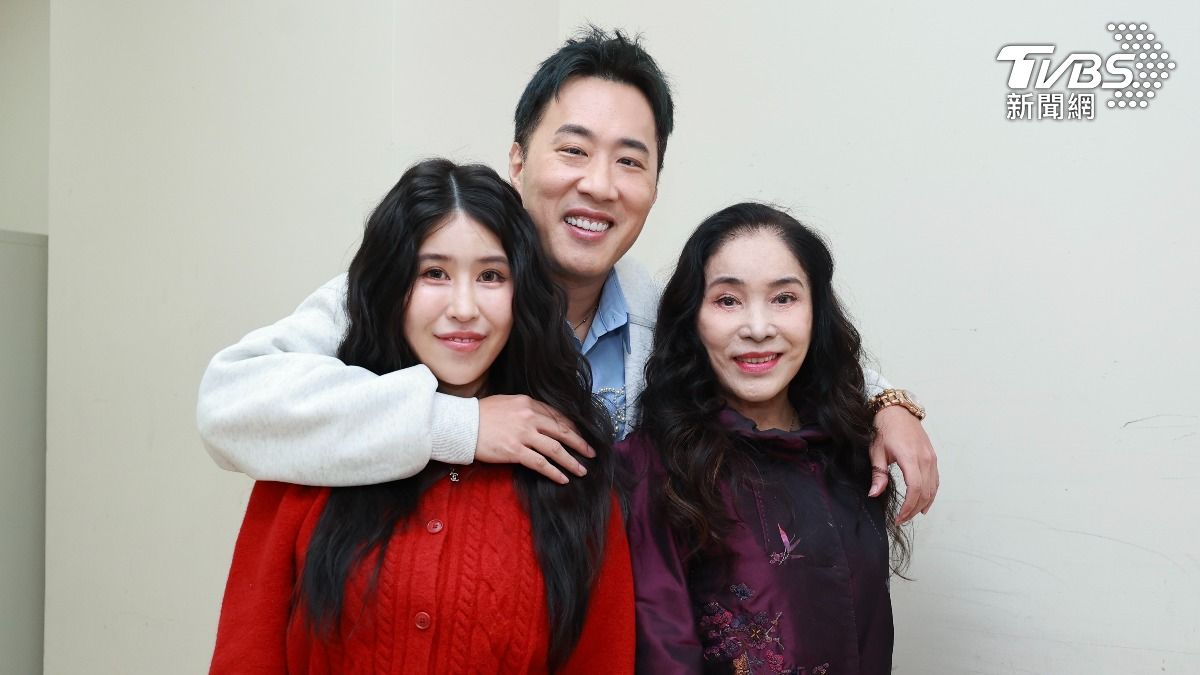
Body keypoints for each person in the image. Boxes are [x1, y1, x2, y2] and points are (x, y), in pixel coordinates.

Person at [196, 27, 938, 520]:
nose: (600, 185)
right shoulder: (435, 293)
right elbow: (231, 405)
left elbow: (760, 337)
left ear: (655, 185)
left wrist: (886, 401)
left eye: (630, 161)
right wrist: (461, 424)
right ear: (517, 161)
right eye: (573, 151)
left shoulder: (657, 314)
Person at [209, 159, 633, 674]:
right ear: (392, 287)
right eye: (434, 273)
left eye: (491, 276)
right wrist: (464, 425)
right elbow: (247, 654)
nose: (464, 307)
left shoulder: (568, 464)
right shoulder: (317, 441)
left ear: (522, 292)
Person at [622, 203, 910, 674]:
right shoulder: (652, 469)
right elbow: (662, 654)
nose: (758, 329)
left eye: (784, 298)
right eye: (727, 301)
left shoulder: (853, 444)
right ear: (692, 318)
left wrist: (893, 404)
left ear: (816, 313)